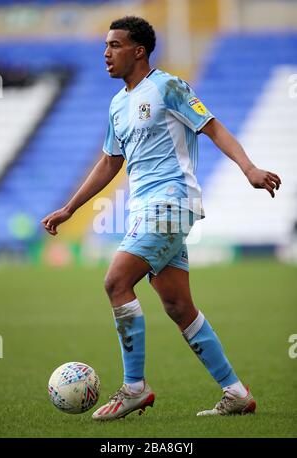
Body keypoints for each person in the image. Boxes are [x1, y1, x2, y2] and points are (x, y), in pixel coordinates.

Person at [42, 16, 281, 420]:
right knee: (177, 304)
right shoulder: (118, 104)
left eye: (115, 45)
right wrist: (70, 208)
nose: (106, 53)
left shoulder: (169, 86)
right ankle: (236, 393)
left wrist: (250, 169)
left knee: (116, 281)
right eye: (105, 45)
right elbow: (109, 161)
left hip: (171, 202)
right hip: (145, 208)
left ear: (138, 51)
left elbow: (213, 126)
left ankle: (134, 388)